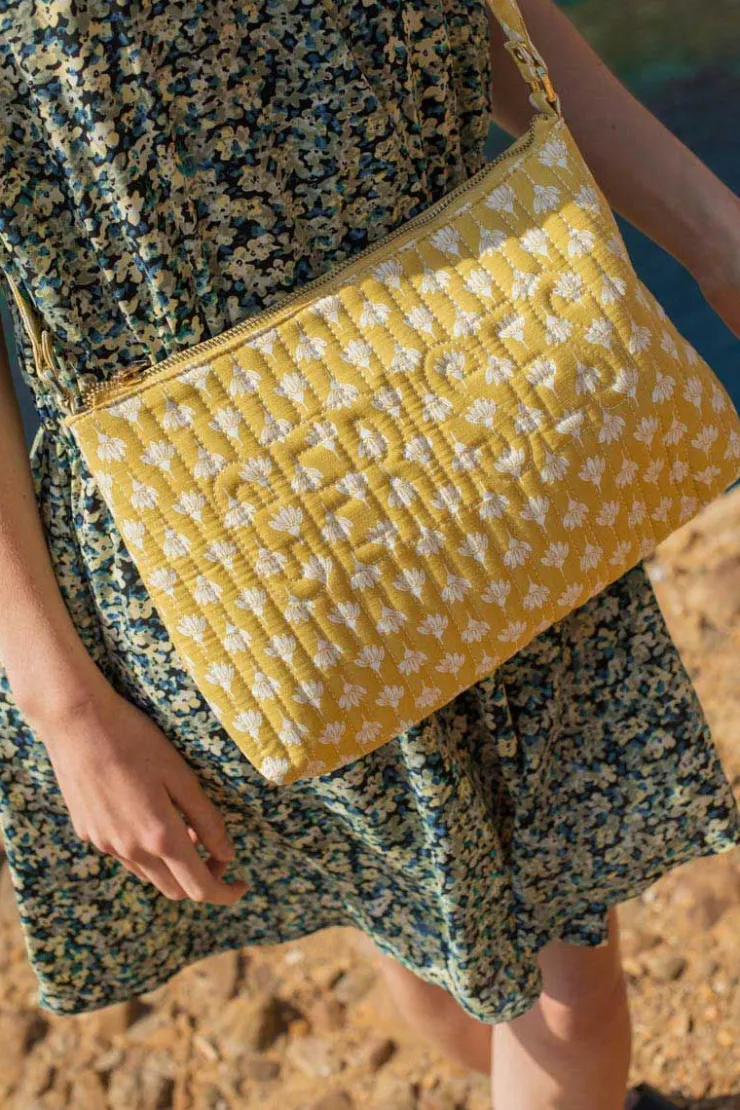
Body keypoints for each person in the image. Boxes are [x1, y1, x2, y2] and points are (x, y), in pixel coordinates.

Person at [0, 1, 738, 1107]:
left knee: (482, 957)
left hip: (481, 415)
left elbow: (495, 16)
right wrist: (64, 710)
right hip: (227, 543)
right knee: (535, 988)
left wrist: (716, 234)